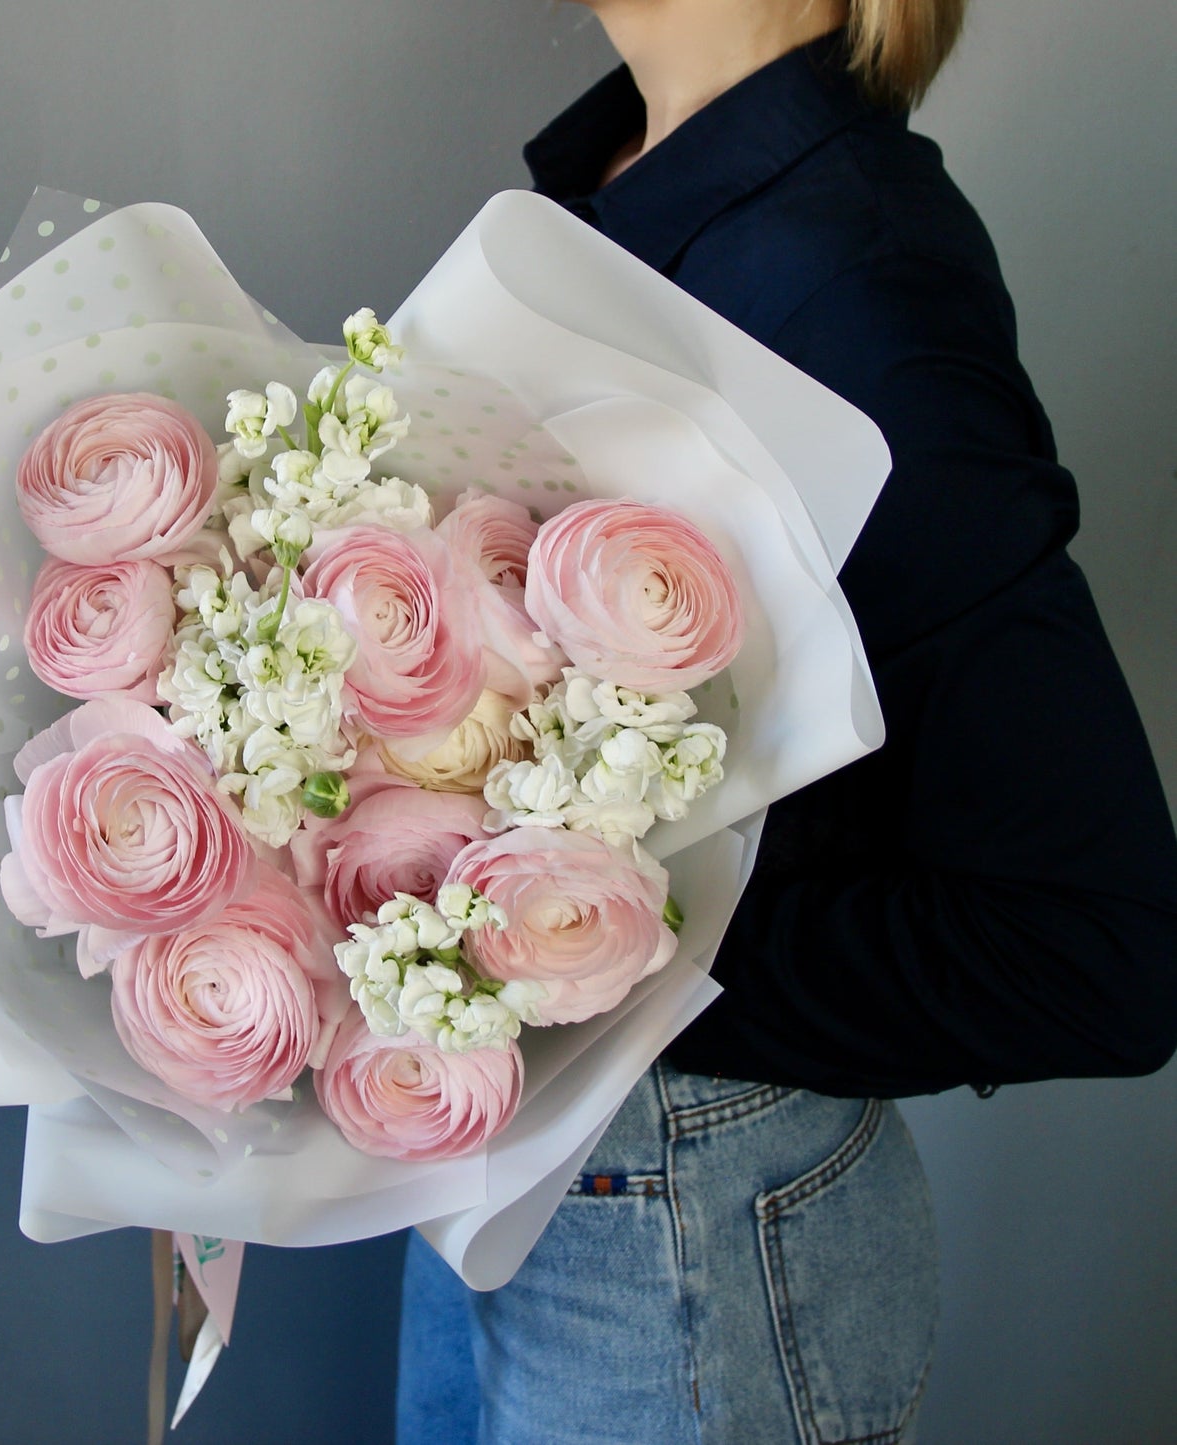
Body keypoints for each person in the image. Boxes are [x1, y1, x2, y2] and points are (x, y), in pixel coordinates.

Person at [396, 2, 1177, 1441]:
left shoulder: (853, 273)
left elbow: (1092, 949)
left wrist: (593, 949)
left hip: (687, 1230)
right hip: (515, 1167)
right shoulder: (611, 201)